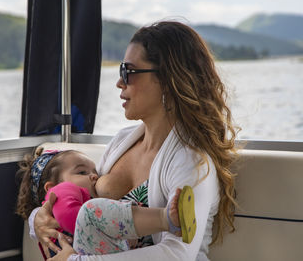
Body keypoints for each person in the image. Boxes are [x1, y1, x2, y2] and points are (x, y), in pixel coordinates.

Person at [32, 20, 239, 261]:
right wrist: (38, 218)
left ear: (167, 80)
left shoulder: (191, 160)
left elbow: (177, 254)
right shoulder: (122, 142)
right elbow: (79, 202)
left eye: (127, 72)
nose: (119, 82)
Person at [16, 147, 193, 258]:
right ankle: (166, 219)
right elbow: (73, 218)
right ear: (52, 188)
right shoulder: (61, 193)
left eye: (94, 171)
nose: (95, 175)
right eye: (82, 172)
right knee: (92, 212)